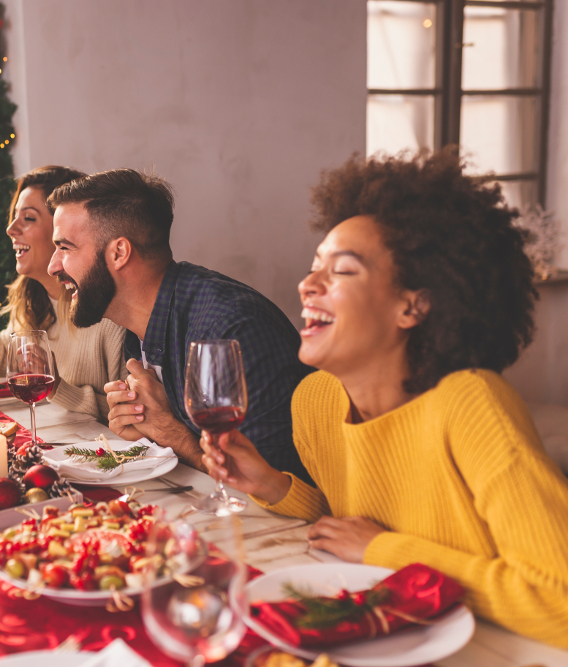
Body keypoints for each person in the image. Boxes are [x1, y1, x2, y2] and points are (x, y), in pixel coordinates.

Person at [201, 149, 568, 646]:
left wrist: (388, 552)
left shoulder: (473, 405)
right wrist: (273, 486)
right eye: (314, 268)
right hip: (392, 637)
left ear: (412, 306)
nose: (308, 285)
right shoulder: (316, 401)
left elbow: (558, 599)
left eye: (343, 271)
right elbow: (351, 528)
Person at [46, 168, 312, 478]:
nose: (53, 265)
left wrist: (169, 433)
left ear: (119, 252)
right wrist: (149, 433)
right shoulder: (136, 329)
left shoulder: (229, 331)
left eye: (65, 247)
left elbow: (272, 487)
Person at [0, 166, 126, 422]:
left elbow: (127, 414)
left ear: (62, 229)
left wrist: (56, 387)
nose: (10, 229)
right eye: (15, 216)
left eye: (28, 218)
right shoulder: (33, 298)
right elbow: (7, 359)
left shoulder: (107, 313)